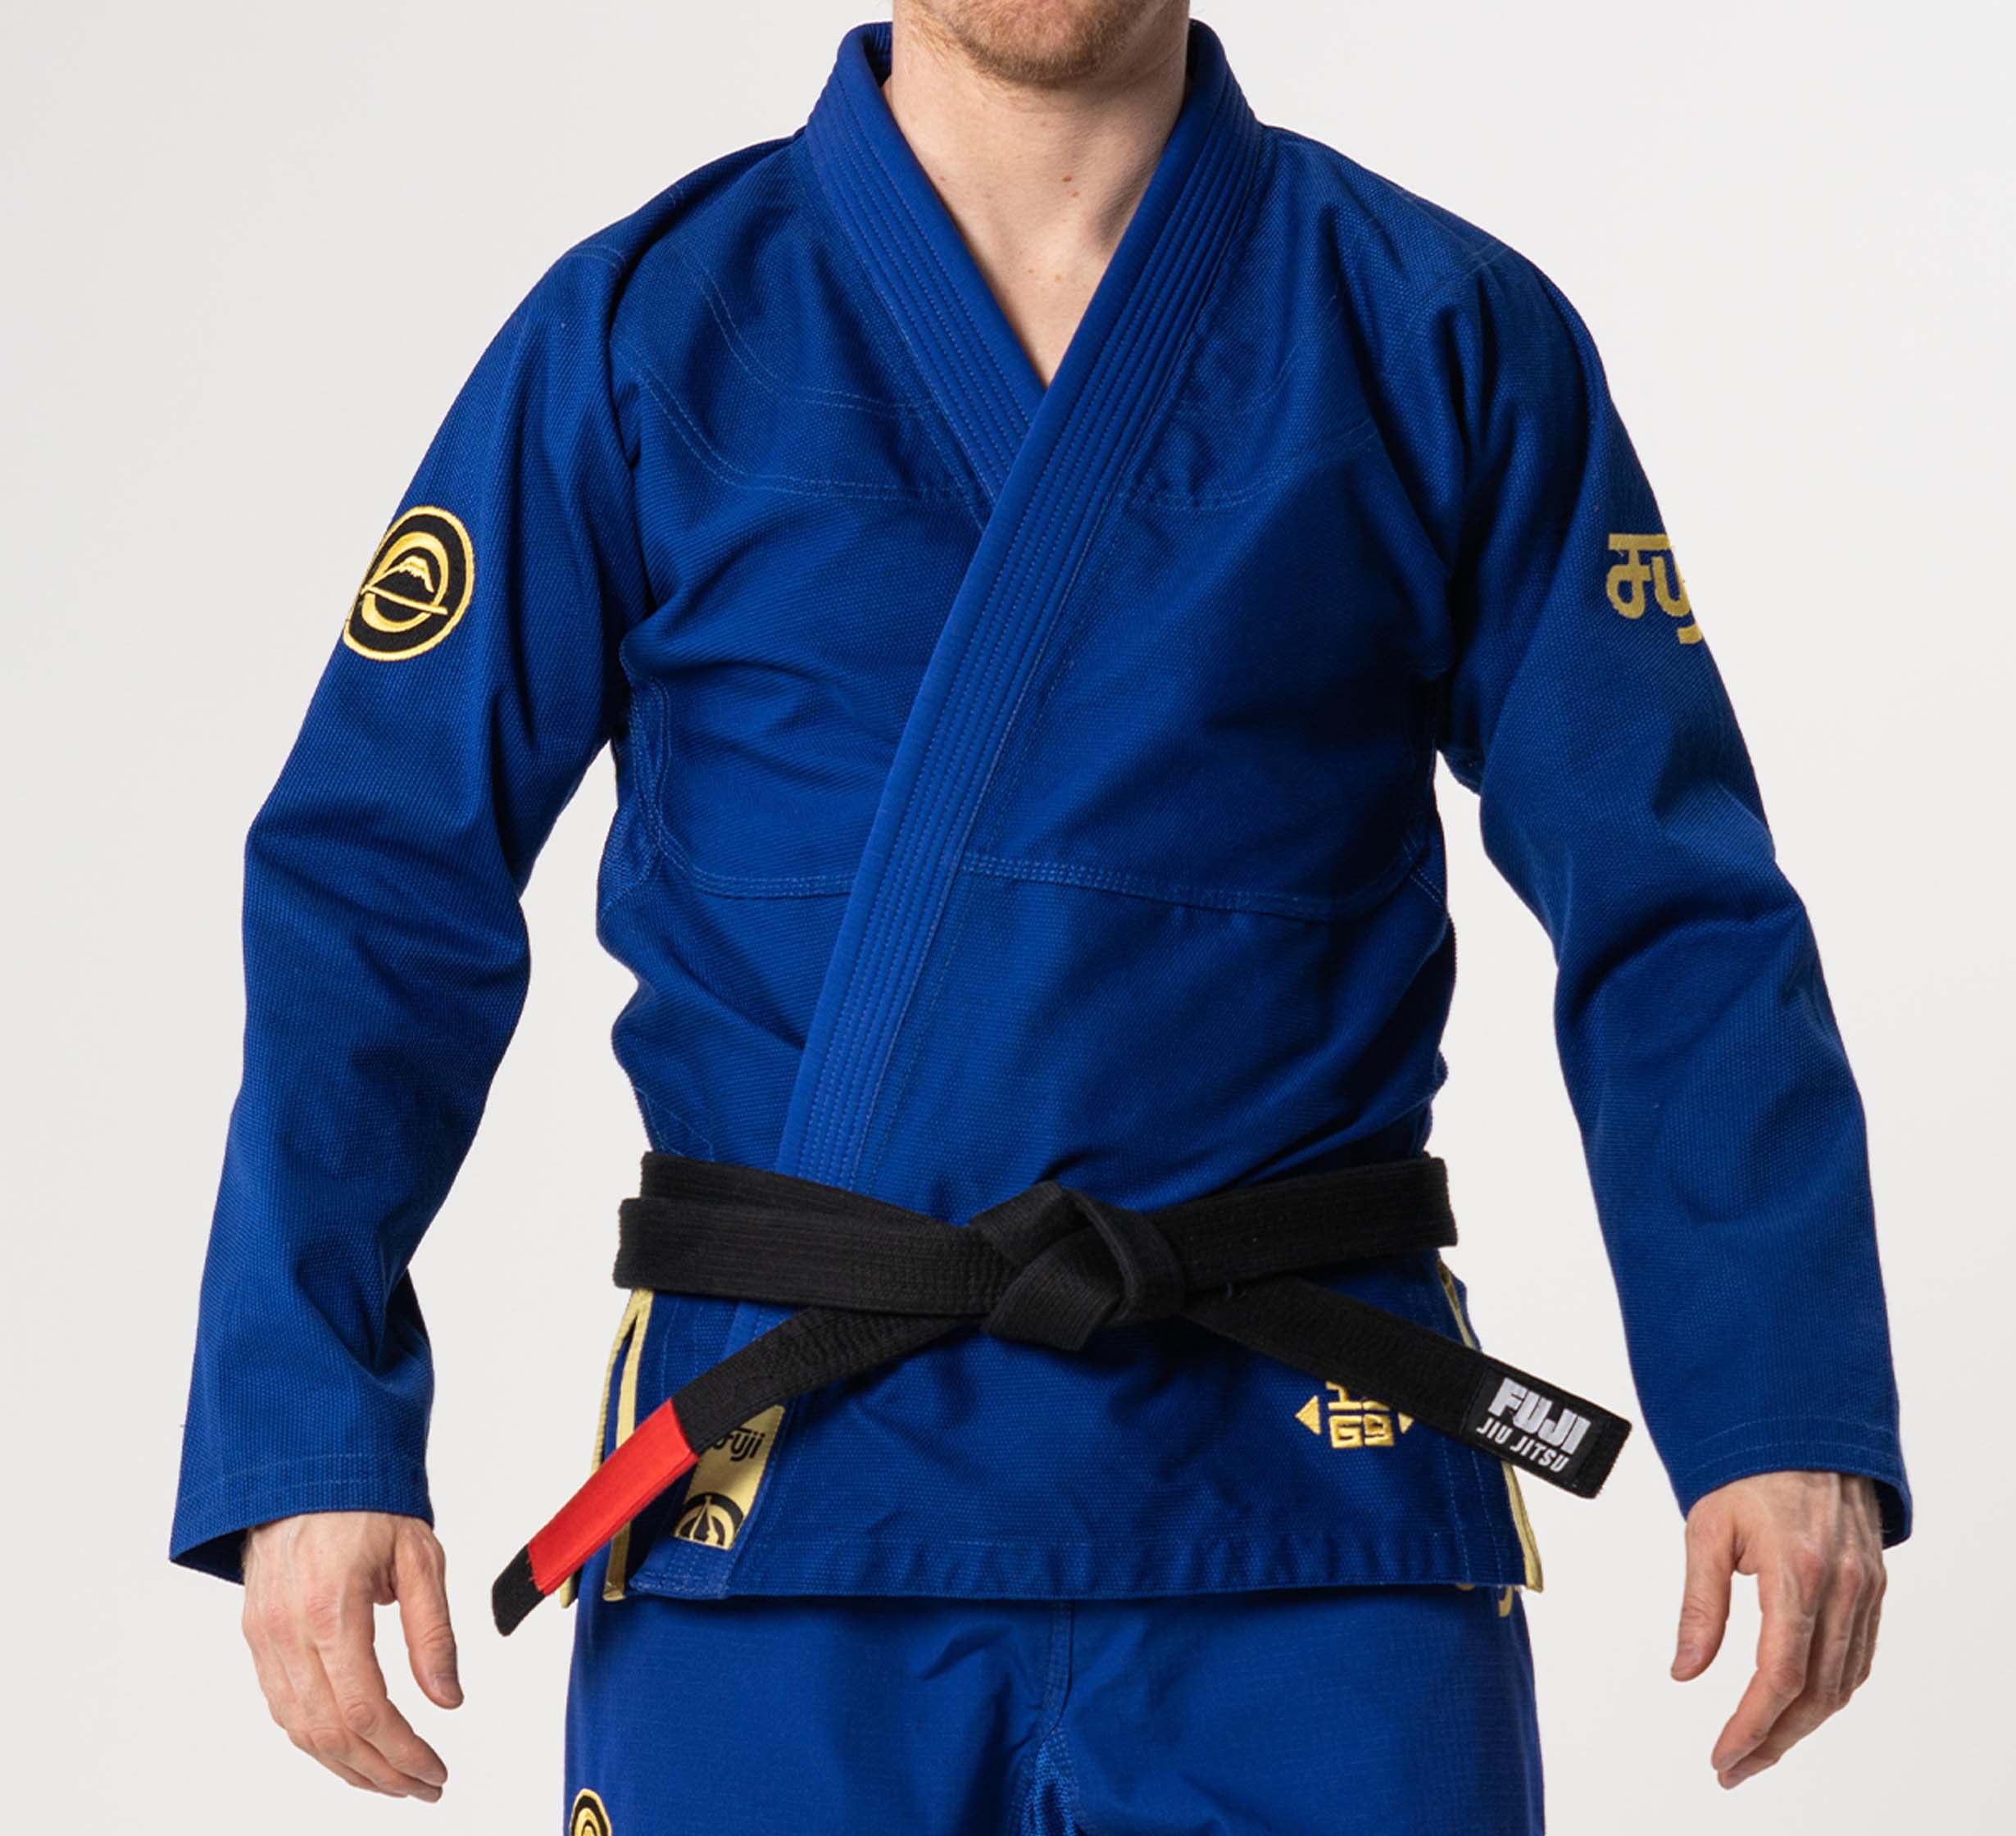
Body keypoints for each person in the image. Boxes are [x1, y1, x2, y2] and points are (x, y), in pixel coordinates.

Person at [170, 4, 1909, 1831]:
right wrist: (311, 1419)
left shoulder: (1438, 330)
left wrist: (1777, 1394)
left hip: (1309, 1516)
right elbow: (379, 880)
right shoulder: (639, 335)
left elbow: (1676, 903)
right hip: (787, 1515)